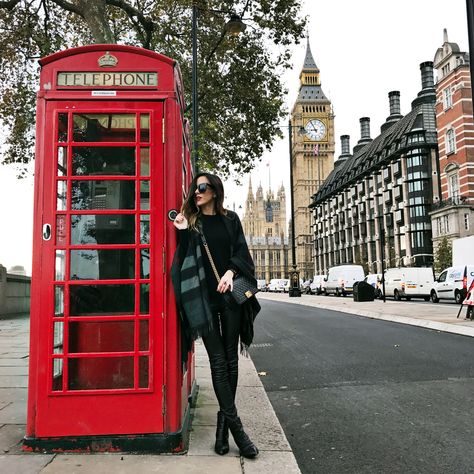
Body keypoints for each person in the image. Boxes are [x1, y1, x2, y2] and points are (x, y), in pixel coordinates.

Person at [171, 172, 260, 459]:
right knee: (218, 362)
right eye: (194, 188)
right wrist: (182, 230)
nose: (196, 192)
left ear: (214, 191)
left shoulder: (231, 219)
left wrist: (230, 273)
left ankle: (223, 427)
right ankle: (237, 429)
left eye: (202, 187)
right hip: (204, 301)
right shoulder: (192, 223)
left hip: (230, 298)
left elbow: (242, 253)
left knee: (232, 361)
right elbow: (182, 260)